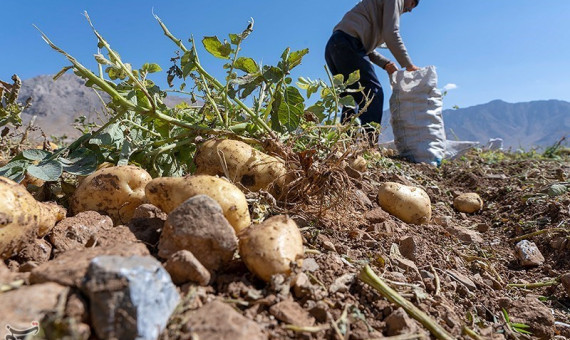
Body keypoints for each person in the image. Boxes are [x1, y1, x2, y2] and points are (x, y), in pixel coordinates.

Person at [325, 0, 421, 128]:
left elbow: (363, 48)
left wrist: (386, 64)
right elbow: (391, 33)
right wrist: (409, 66)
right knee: (373, 93)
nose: (410, 9)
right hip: (347, 44)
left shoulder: (375, 11)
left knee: (351, 100)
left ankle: (347, 142)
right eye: (412, 4)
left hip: (335, 46)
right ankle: (369, 144)